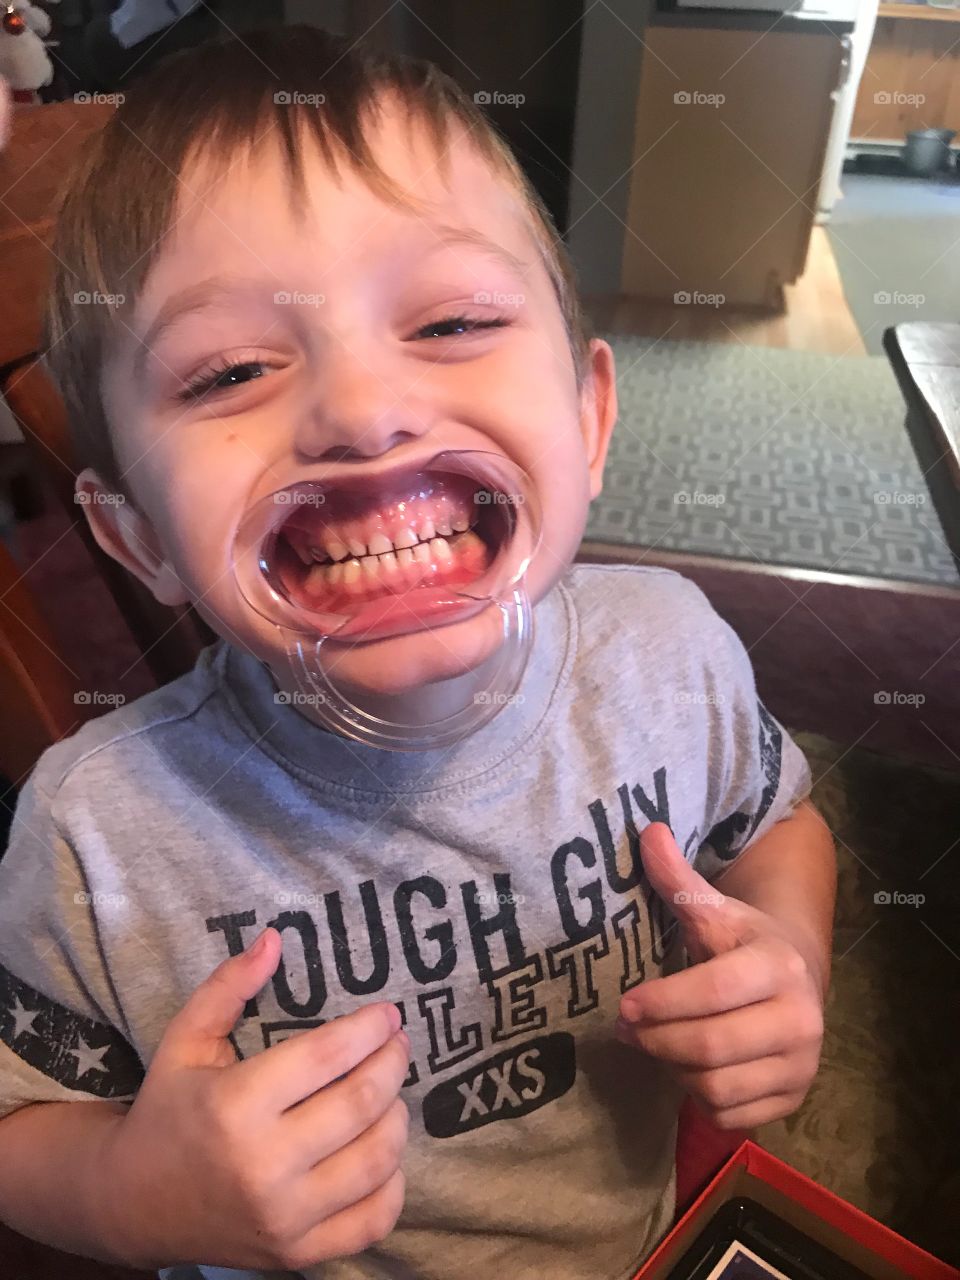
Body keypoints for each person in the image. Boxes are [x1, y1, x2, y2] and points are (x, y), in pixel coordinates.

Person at [0, 25, 836, 1280]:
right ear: (136, 538)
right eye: (229, 369)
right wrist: (127, 1190)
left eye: (449, 321)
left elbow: (777, 824)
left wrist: (791, 954)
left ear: (589, 418)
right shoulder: (97, 834)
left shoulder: (672, 656)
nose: (362, 410)